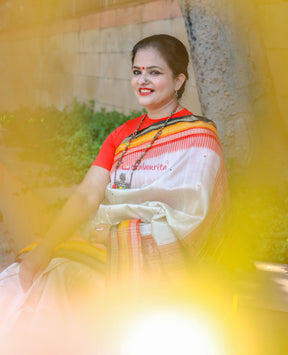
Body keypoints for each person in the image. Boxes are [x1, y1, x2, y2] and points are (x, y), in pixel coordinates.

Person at [0, 34, 229, 334]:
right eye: (137, 72)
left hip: (168, 261)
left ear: (178, 81)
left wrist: (117, 235)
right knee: (22, 282)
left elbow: (194, 215)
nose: (143, 80)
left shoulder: (199, 136)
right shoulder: (122, 135)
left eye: (155, 72)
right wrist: (45, 248)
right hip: (111, 250)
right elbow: (86, 195)